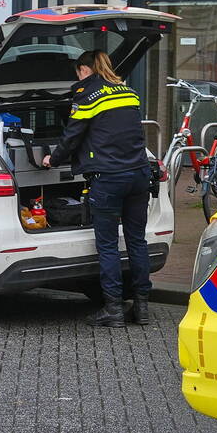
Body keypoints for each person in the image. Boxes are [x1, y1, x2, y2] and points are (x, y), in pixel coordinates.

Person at [42, 50, 152, 328]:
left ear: (84, 70)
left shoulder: (87, 95)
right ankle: (142, 308)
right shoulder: (128, 92)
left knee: (108, 246)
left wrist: (51, 159)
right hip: (139, 173)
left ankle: (113, 309)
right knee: (137, 241)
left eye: (77, 72)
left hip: (109, 177)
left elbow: (72, 136)